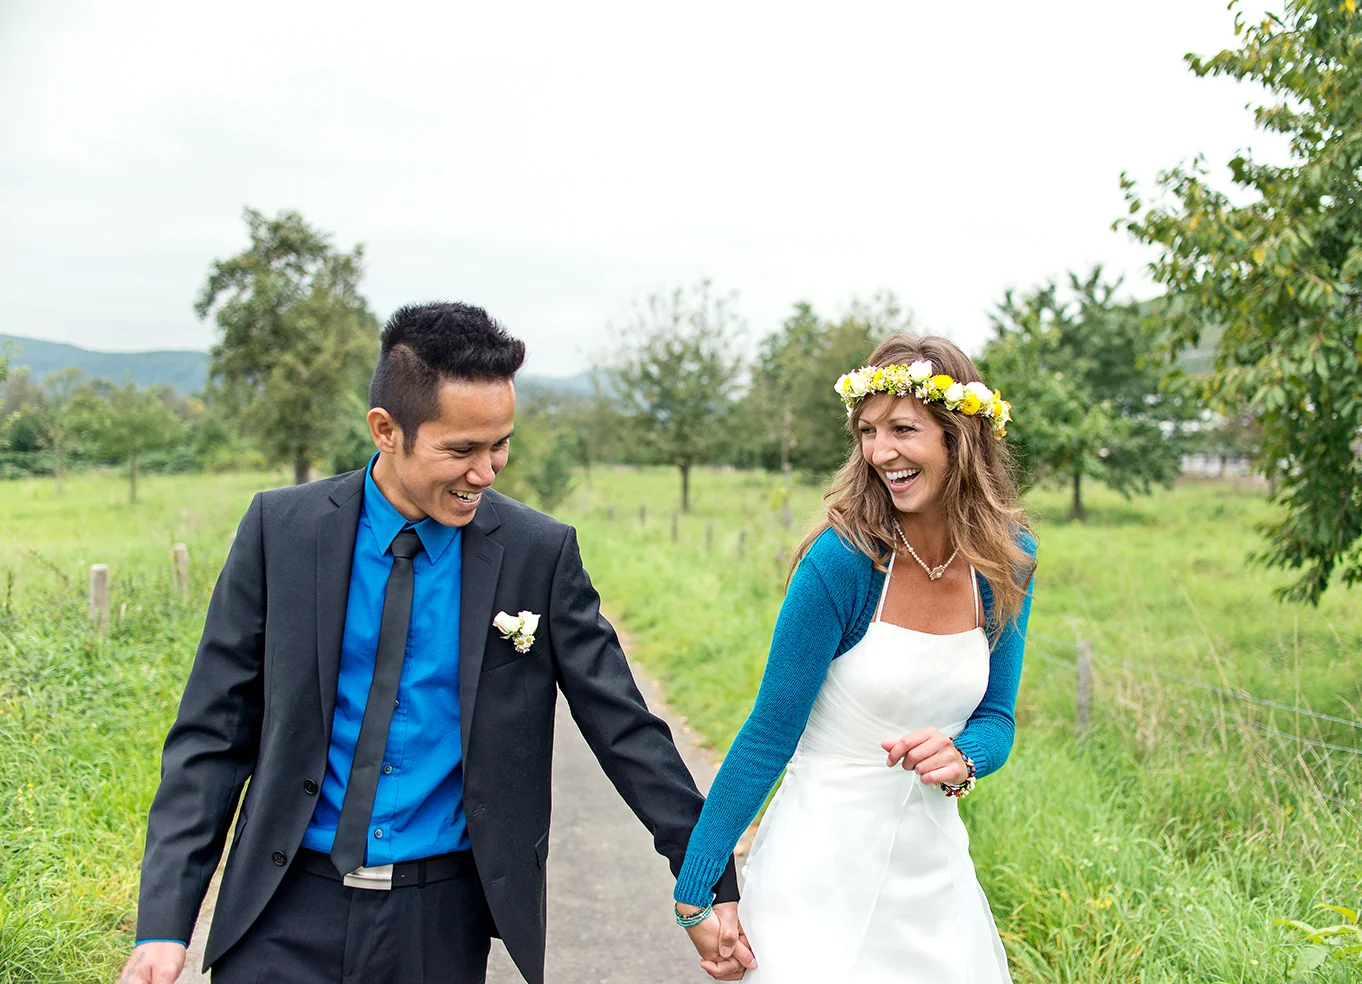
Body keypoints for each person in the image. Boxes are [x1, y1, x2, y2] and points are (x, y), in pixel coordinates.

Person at [118, 302, 755, 984]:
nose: (487, 471)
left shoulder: (537, 554)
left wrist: (705, 878)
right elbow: (213, 735)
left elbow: (624, 728)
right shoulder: (282, 530)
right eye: (461, 450)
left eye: (500, 444)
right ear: (386, 430)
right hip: (280, 908)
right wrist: (163, 925)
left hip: (438, 923)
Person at [673, 333, 1037, 983]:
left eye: (903, 429)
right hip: (817, 873)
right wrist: (696, 888)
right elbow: (769, 733)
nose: (880, 451)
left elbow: (998, 718)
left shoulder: (1006, 560)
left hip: (932, 879)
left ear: (960, 437)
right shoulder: (842, 562)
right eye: (868, 431)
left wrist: (965, 756)